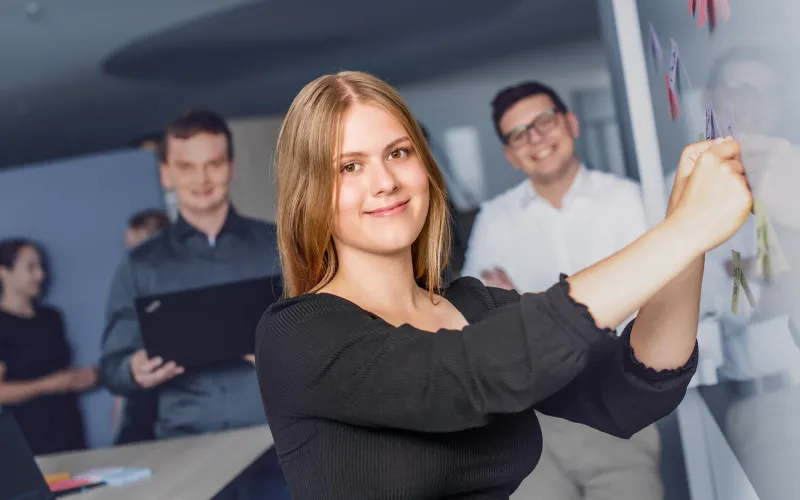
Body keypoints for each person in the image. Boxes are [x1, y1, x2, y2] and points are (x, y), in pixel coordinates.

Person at [254, 70, 752, 499]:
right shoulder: (297, 334)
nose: (384, 181)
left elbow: (628, 391)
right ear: (311, 195)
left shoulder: (474, 304)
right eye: (350, 166)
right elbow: (465, 376)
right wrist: (680, 231)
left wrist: (690, 240)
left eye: (399, 152)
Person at [460, 81, 659, 499]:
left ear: (570, 123)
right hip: (532, 420)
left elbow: (654, 298)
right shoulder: (494, 219)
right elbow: (474, 320)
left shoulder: (629, 201)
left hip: (616, 404)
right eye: (519, 134)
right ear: (511, 155)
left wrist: (519, 306)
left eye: (544, 121)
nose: (536, 138)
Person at [99, 110, 288, 499]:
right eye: (187, 166)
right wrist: (134, 369)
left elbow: (326, 341)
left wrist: (284, 350)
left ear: (231, 168)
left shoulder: (280, 247)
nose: (201, 180)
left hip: (280, 449)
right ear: (166, 173)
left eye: (213, 164)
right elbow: (111, 369)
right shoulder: (141, 265)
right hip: (187, 456)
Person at [0, 239, 97, 455]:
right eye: (31, 267)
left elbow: (59, 369)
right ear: (4, 272)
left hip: (68, 429)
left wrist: (83, 377)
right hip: (27, 436)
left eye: (41, 267)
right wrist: (48, 385)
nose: (40, 276)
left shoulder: (51, 318)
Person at [110, 209, 171, 444]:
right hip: (140, 407)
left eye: (138, 247)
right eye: (128, 248)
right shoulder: (128, 290)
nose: (132, 257)